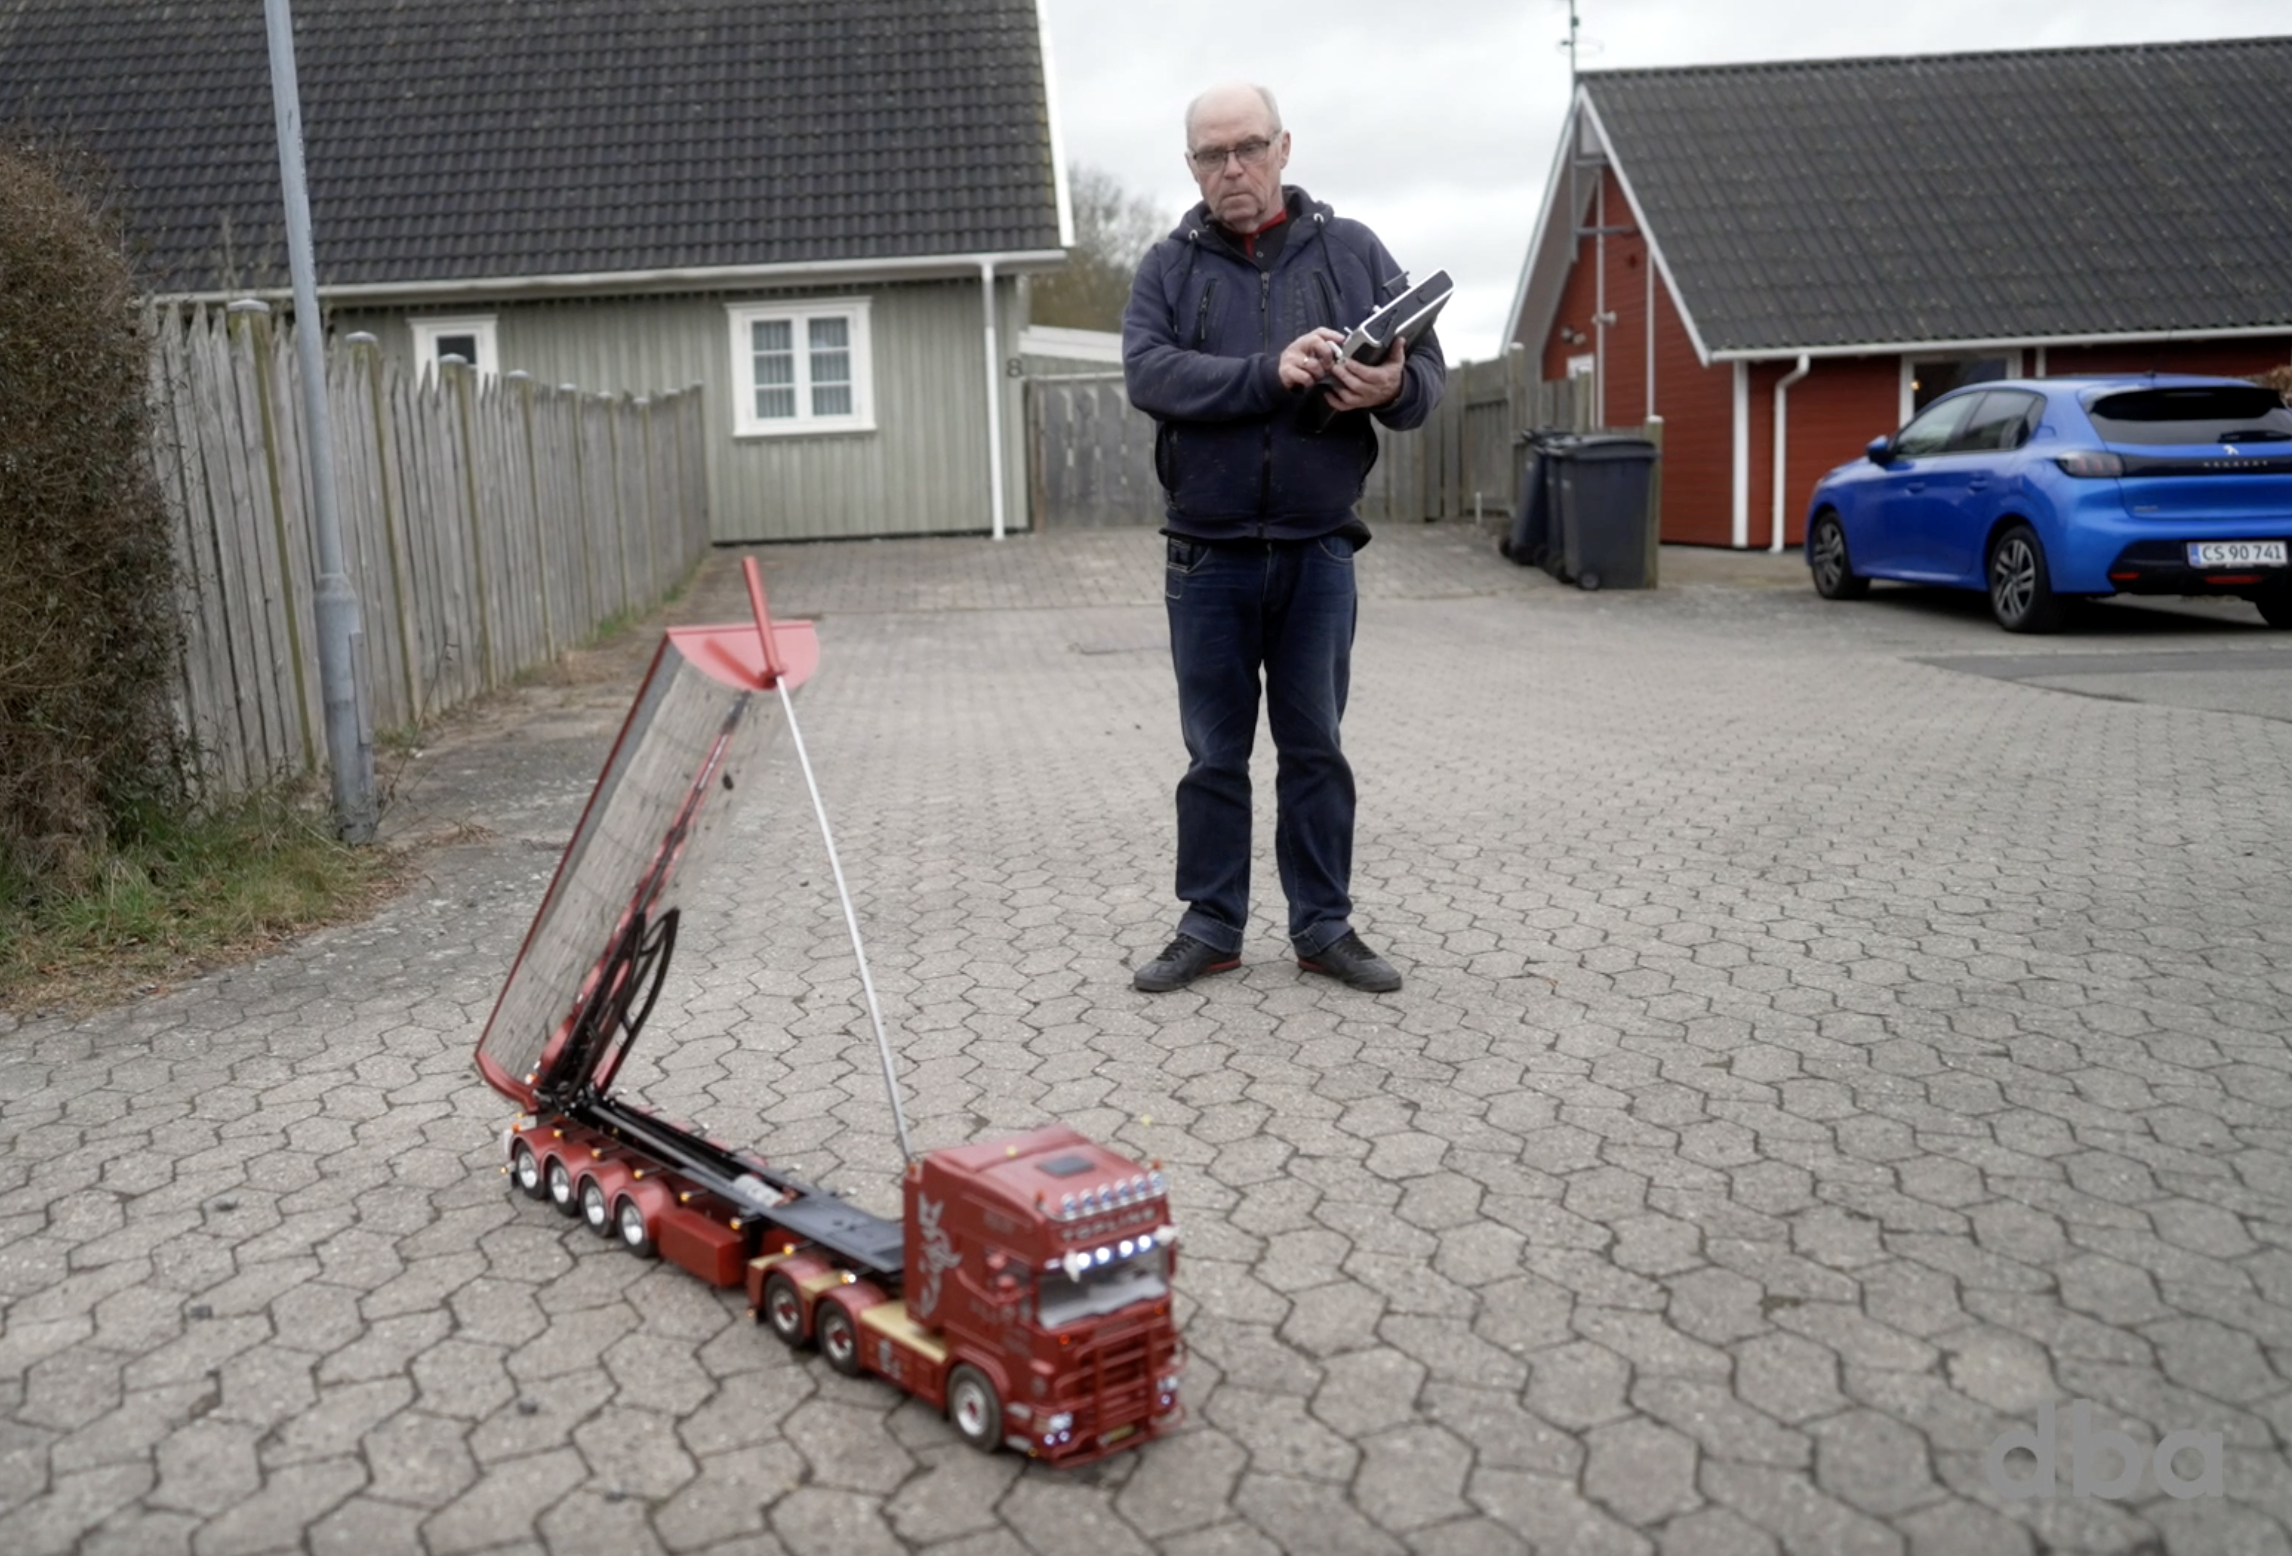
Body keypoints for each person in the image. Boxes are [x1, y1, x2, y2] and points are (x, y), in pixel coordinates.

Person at [1121, 82, 1445, 995]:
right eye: (1211, 154)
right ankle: (1212, 925)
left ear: (1284, 148)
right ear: (1190, 165)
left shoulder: (1352, 252)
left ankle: (1323, 928)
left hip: (1318, 550)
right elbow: (1151, 372)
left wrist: (1393, 389)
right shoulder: (1167, 269)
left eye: (1248, 148)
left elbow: (1426, 373)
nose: (1232, 168)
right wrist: (1270, 372)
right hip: (1208, 554)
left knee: (1315, 751)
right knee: (1213, 757)